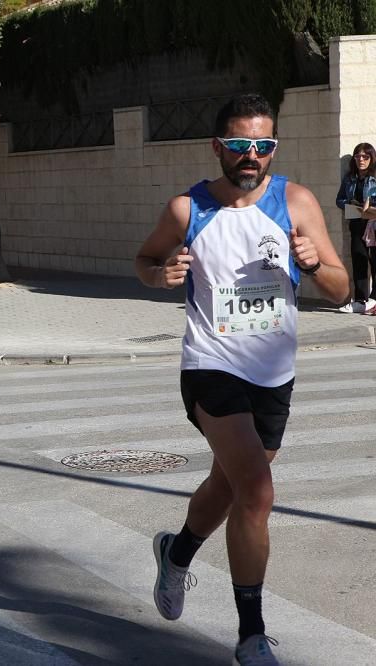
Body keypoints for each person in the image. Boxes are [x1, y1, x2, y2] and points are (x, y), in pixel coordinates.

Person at [135, 94, 349, 666]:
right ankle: (251, 633)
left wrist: (313, 264)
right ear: (218, 147)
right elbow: (145, 260)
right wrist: (163, 274)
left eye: (263, 145)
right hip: (210, 364)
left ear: (273, 146)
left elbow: (341, 289)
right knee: (257, 489)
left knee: (229, 487)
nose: (251, 155)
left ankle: (176, 554)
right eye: (239, 145)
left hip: (274, 373)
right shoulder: (188, 209)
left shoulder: (296, 202)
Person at [335, 142, 376, 313]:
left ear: (371, 158)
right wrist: (349, 205)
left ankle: (373, 301)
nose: (361, 159)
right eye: (358, 156)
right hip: (357, 222)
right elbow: (339, 199)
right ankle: (360, 300)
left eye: (365, 157)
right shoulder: (350, 178)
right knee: (359, 260)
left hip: (373, 224)